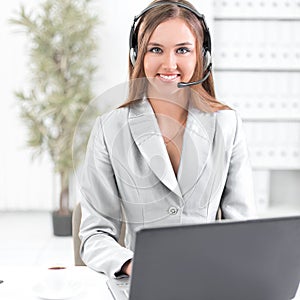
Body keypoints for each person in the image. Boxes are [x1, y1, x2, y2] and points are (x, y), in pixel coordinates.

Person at [79, 0, 256, 278]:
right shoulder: (109, 128)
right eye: (155, 49)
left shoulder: (227, 123)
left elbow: (243, 227)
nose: (169, 64)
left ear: (202, 56)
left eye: (183, 50)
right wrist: (131, 265)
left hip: (210, 280)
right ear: (138, 55)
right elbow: (95, 234)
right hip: (140, 283)